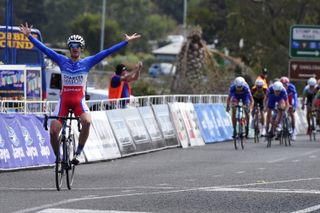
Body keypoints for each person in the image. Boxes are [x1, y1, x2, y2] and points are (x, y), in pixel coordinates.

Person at [19, 22, 141, 165]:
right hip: (64, 101)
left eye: (77, 46)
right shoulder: (62, 60)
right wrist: (29, 37)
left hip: (78, 102)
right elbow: (45, 49)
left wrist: (125, 42)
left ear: (81, 49)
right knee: (53, 131)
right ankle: (58, 157)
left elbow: (107, 52)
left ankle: (78, 152)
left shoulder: (87, 63)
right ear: (70, 49)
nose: (75, 48)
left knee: (87, 122)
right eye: (72, 46)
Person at [280, 76, 298, 140]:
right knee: (280, 110)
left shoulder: (291, 87)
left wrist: (294, 106)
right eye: (283, 85)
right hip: (284, 99)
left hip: (290, 99)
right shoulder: (279, 88)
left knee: (291, 113)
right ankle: (280, 126)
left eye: (286, 85)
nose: (284, 86)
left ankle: (293, 131)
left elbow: (294, 97)